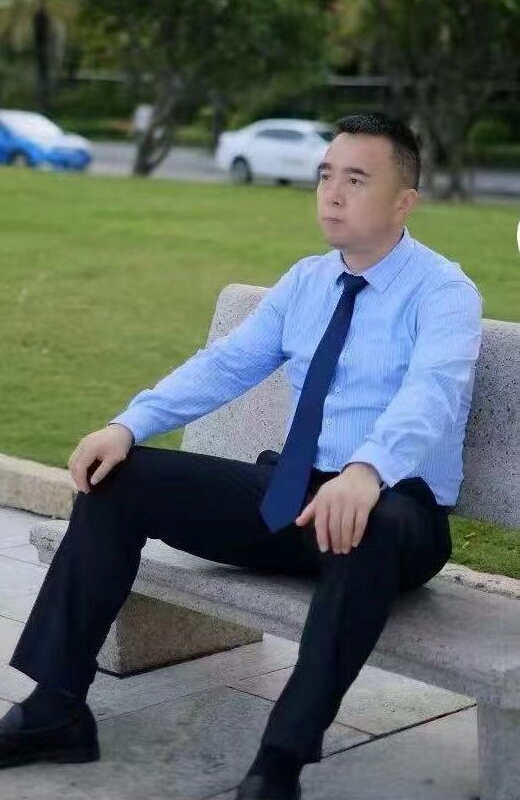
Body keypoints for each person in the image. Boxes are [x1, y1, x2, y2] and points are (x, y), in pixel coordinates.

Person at [0, 112, 482, 800]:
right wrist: (129, 424)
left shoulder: (444, 292)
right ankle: (56, 709)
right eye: (326, 176)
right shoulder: (307, 281)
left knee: (366, 526)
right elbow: (224, 366)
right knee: (118, 479)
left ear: (404, 201)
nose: (332, 194)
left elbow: (431, 394)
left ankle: (277, 764)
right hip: (293, 499)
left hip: (395, 512)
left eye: (356, 180)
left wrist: (366, 470)